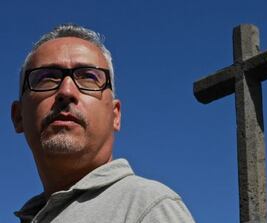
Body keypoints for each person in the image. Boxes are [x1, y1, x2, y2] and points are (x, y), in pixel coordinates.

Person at [11, 24, 195, 223]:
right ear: (18, 116)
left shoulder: (146, 207)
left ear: (115, 115)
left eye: (89, 77)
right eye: (46, 78)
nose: (66, 91)